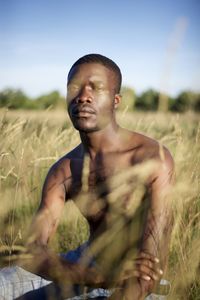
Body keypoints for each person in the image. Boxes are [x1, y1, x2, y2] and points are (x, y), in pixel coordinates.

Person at [0, 54, 174, 300]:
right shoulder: (64, 170)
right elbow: (33, 252)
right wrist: (97, 278)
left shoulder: (151, 159)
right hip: (83, 265)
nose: (82, 96)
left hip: (135, 277)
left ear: (116, 100)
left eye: (96, 87)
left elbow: (151, 267)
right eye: (74, 88)